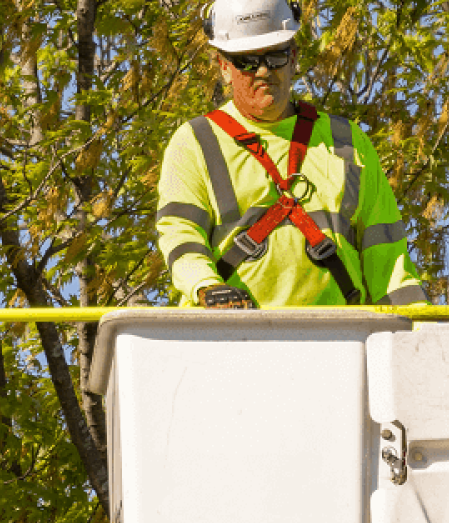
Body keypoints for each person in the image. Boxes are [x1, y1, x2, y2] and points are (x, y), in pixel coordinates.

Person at [155, 0, 429, 309]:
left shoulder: (347, 142)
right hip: (231, 331)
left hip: (338, 331)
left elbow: (389, 258)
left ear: (293, 57)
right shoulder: (197, 142)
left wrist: (419, 325)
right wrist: (206, 286)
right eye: (247, 61)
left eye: (275, 57)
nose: (263, 71)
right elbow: (181, 235)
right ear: (224, 67)